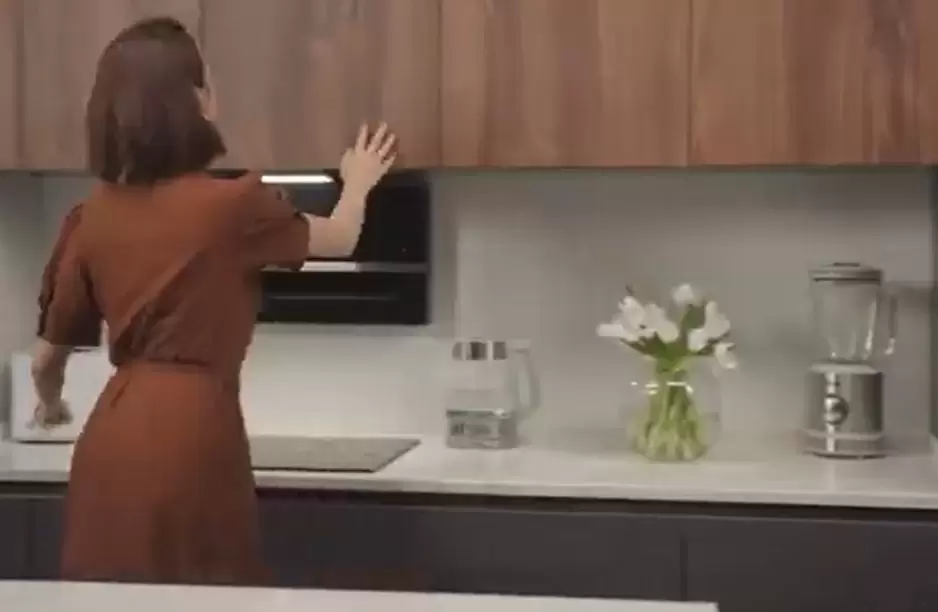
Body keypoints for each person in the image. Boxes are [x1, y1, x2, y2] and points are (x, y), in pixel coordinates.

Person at [29, 16, 396, 584]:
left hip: (108, 441)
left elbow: (45, 361)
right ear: (200, 102)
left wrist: (51, 408)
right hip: (194, 433)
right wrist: (359, 182)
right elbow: (341, 238)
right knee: (207, 592)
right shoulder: (233, 208)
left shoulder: (89, 218)